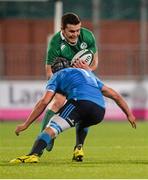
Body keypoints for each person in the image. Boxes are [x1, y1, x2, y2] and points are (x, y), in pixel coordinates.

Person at [10, 58, 136, 164]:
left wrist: (26, 124)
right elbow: (116, 96)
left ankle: (33, 154)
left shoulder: (57, 76)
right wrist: (129, 115)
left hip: (79, 102)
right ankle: (79, 148)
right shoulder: (89, 74)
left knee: (52, 127)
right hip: (99, 110)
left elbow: (44, 101)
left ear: (54, 70)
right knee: (82, 121)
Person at [40, 12, 99, 161]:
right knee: (59, 102)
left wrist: (87, 69)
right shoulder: (55, 42)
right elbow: (48, 71)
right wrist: (56, 85)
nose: (76, 34)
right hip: (63, 78)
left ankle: (78, 148)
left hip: (83, 76)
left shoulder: (88, 36)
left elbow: (95, 63)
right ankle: (44, 138)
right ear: (63, 29)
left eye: (78, 30)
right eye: (72, 31)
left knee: (85, 108)